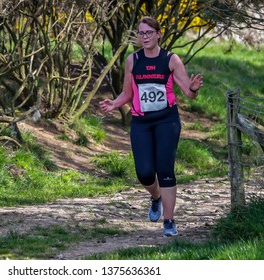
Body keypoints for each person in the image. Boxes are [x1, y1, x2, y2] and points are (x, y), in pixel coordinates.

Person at [99, 16, 203, 236]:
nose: (144, 37)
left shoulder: (171, 60)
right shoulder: (133, 60)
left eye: (148, 33)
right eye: (141, 33)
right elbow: (128, 93)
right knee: (145, 173)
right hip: (141, 122)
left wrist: (193, 89)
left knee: (165, 169)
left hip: (167, 120)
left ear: (158, 34)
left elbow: (188, 94)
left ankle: (169, 220)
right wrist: (114, 103)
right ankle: (156, 197)